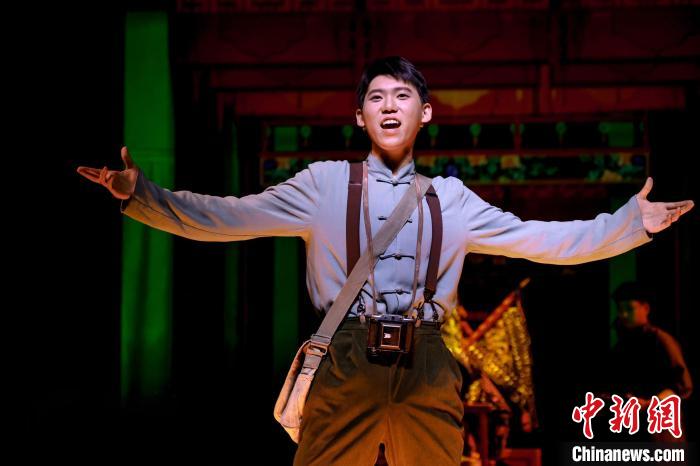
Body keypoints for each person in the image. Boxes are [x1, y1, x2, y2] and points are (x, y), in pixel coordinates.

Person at [77, 56, 694, 466]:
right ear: (360, 116)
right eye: (376, 97)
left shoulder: (452, 199)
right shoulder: (322, 185)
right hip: (344, 360)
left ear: (426, 112)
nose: (390, 105)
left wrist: (628, 225)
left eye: (403, 95)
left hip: (426, 362)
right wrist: (143, 196)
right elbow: (227, 217)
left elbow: (542, 239)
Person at [609, 281, 693, 442]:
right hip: (634, 424)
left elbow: (682, 386)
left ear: (645, 308)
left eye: (629, 309)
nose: (624, 315)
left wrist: (648, 403)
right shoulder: (622, 344)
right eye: (620, 309)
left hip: (661, 424)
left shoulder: (661, 339)